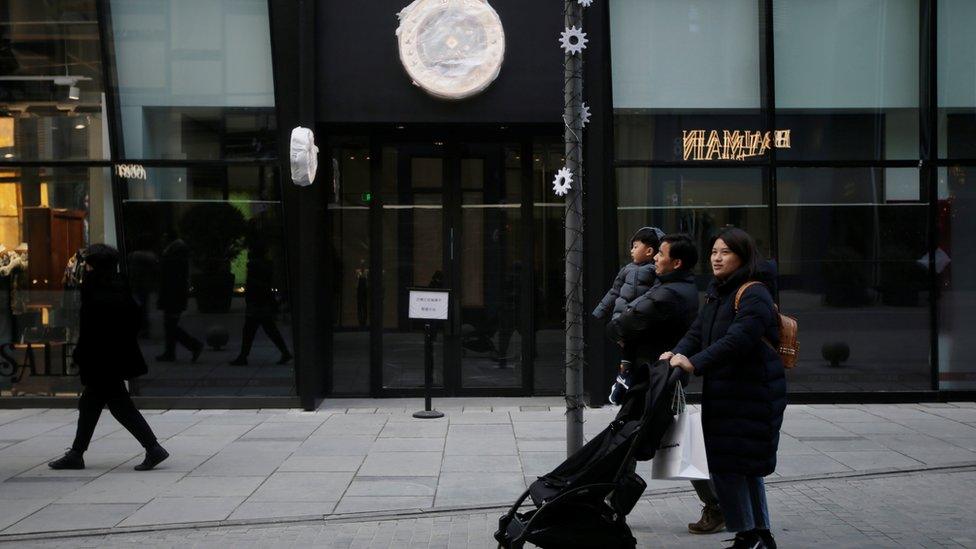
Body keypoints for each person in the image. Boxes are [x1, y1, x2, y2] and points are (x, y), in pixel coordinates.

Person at [663, 227, 787, 549]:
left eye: (725, 252)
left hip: (752, 394)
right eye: (714, 252)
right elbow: (697, 331)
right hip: (729, 393)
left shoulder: (754, 293)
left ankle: (748, 535)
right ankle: (759, 535)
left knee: (731, 467)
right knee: (742, 467)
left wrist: (695, 363)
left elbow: (738, 340)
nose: (716, 258)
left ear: (742, 257)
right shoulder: (718, 291)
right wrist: (677, 353)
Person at [606, 233, 724, 534]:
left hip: (660, 379)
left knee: (661, 441)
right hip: (654, 376)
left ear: (677, 262)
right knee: (634, 439)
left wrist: (618, 327)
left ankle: (716, 506)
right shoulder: (668, 285)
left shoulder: (671, 293)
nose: (655, 257)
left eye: (661, 254)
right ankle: (612, 508)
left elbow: (625, 322)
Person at [48, 244, 169, 471]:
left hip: (100, 358)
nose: (85, 267)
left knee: (116, 405)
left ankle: (153, 448)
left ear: (94, 265)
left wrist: (80, 353)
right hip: (114, 356)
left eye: (88, 263)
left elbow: (90, 327)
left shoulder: (95, 289)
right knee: (93, 404)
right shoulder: (121, 286)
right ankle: (77, 453)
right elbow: (134, 320)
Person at [592, 226, 662, 405]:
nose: (631, 250)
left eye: (635, 246)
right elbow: (614, 292)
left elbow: (656, 293)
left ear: (649, 251)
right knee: (626, 346)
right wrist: (600, 310)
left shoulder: (655, 270)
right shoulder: (626, 270)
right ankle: (624, 375)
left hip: (640, 318)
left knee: (638, 349)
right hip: (622, 317)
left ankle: (629, 377)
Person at [230, 239, 293, 366]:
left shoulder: (253, 266)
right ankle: (284, 352)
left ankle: (243, 356)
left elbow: (253, 285)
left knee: (251, 330)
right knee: (267, 329)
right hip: (263, 302)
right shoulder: (267, 265)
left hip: (256, 303)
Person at [155, 238, 202, 363]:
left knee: (171, 326)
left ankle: (193, 346)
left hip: (172, 297)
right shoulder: (180, 261)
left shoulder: (172, 261)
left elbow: (166, 281)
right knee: (170, 325)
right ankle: (170, 352)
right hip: (176, 297)